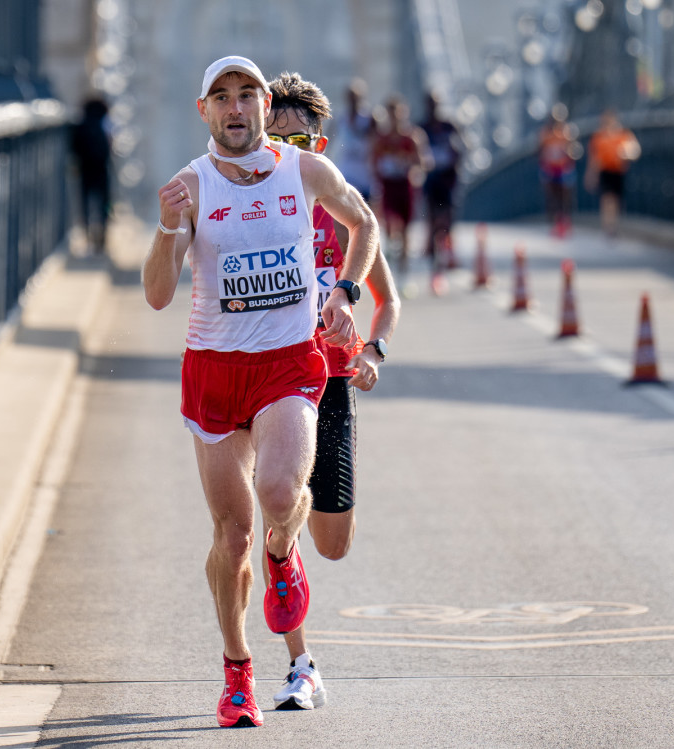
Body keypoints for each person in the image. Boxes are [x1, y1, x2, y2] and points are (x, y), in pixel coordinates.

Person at [142, 56, 378, 728]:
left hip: (287, 362)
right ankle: (238, 671)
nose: (237, 107)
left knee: (278, 495)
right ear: (206, 111)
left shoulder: (302, 170)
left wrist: (345, 292)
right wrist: (165, 229)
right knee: (231, 534)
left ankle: (286, 552)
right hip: (214, 368)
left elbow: (364, 223)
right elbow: (158, 296)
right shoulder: (190, 185)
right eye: (223, 97)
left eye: (248, 94)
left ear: (263, 104)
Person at [264, 71, 400, 711]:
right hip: (271, 379)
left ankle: (293, 541)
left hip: (335, 382)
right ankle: (301, 663)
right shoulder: (252, 207)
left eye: (301, 141)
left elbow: (390, 302)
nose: (289, 151)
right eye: (276, 138)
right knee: (279, 511)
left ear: (320, 145)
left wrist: (373, 349)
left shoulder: (346, 215)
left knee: (333, 543)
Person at [370, 95, 432, 281]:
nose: (395, 119)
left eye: (398, 115)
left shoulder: (411, 136)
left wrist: (409, 163)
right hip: (388, 185)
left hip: (405, 185)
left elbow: (424, 161)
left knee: (404, 229)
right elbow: (373, 161)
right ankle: (391, 253)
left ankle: (403, 273)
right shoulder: (382, 139)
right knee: (389, 225)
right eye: (391, 115)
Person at [419, 92, 463, 293]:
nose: (432, 108)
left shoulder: (449, 126)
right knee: (434, 223)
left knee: (447, 220)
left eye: (435, 104)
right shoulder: (421, 128)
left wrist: (455, 159)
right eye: (429, 104)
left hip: (447, 181)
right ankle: (436, 268)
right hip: (430, 182)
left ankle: (446, 253)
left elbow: (461, 149)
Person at [585, 109, 640, 236]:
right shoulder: (598, 137)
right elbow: (593, 159)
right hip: (605, 171)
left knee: (617, 199)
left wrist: (627, 154)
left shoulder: (624, 135)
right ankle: (608, 226)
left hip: (618, 171)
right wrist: (591, 175)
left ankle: (614, 224)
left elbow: (635, 150)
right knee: (607, 198)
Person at [69, 96, 113, 254]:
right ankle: (102, 238)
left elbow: (74, 148)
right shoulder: (105, 123)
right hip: (102, 169)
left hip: (85, 170)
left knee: (85, 204)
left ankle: (87, 236)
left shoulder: (80, 125)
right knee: (104, 204)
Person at [330, 78, 377, 204]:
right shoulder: (341, 117)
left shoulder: (369, 117)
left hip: (365, 170)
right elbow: (330, 137)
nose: (352, 101)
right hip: (347, 169)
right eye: (350, 97)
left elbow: (377, 139)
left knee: (367, 205)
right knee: (348, 204)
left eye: (355, 97)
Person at [538, 110, 577, 238]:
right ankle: (556, 223)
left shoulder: (567, 133)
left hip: (564, 170)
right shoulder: (545, 134)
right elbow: (539, 151)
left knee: (565, 197)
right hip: (550, 170)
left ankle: (565, 222)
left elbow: (573, 151)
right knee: (553, 198)